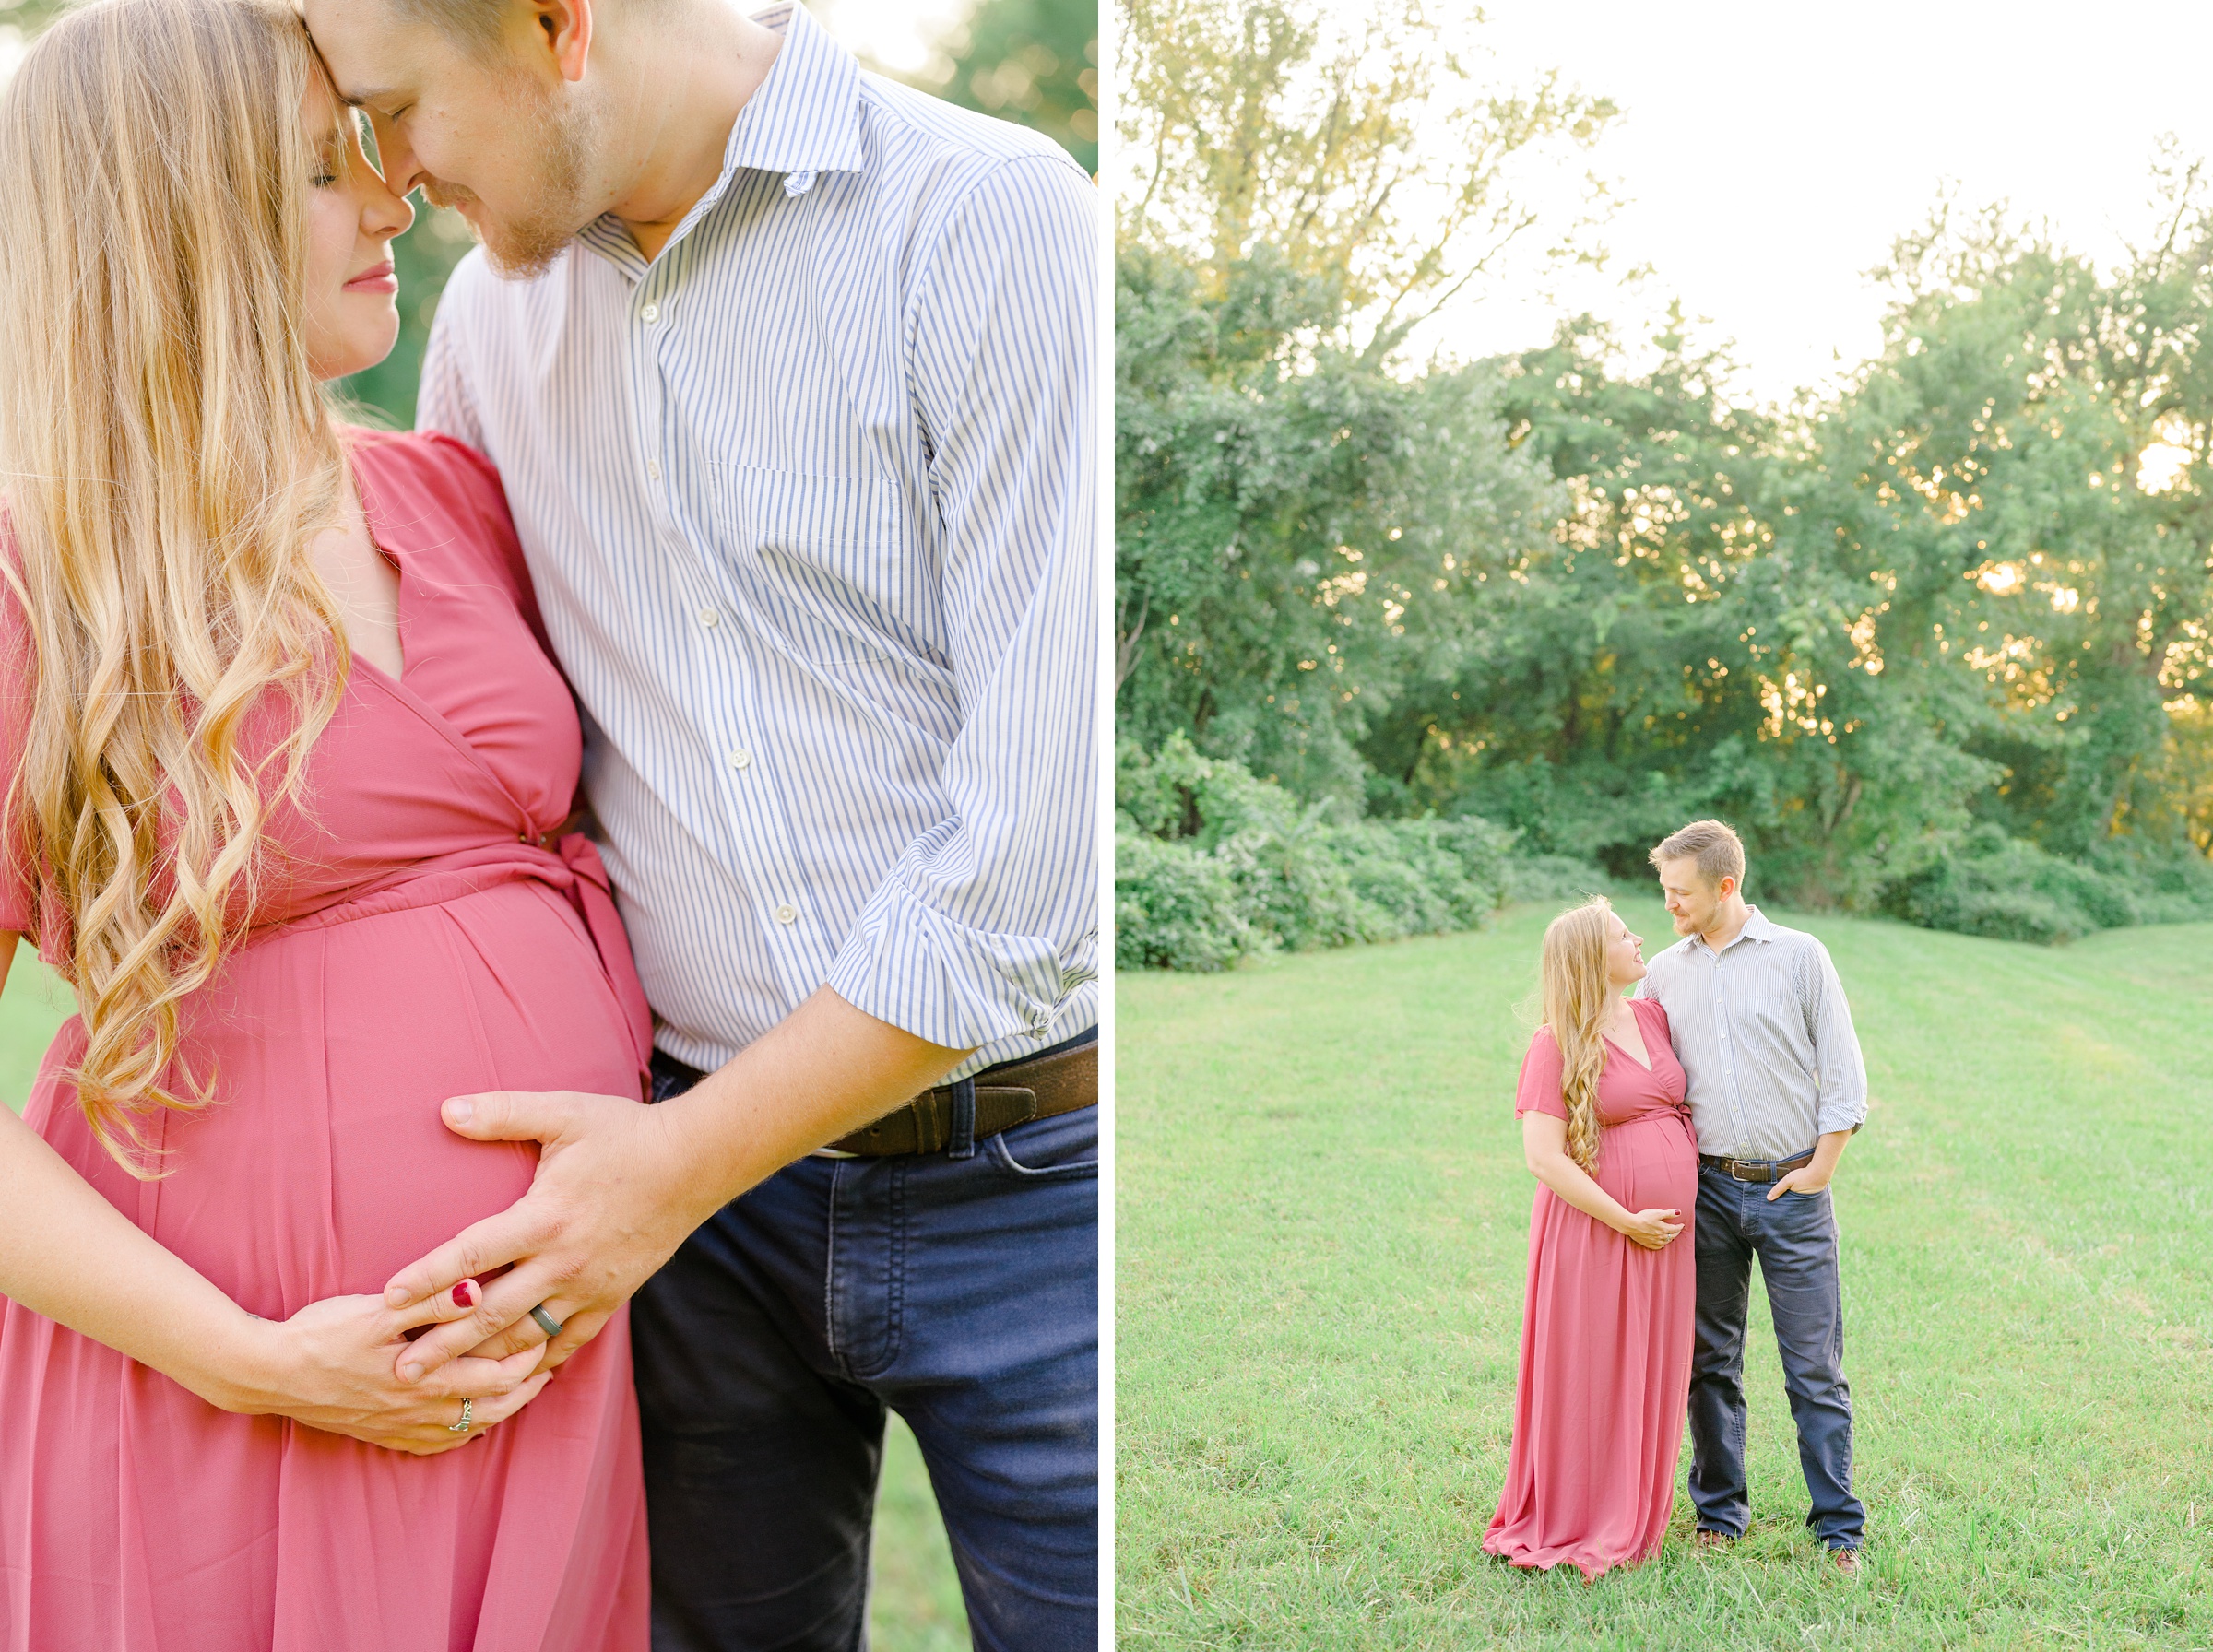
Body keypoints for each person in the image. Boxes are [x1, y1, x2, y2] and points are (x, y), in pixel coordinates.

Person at [297, 0, 1100, 1645]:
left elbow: (1030, 861)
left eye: (394, 110)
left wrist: (667, 1174)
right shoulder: (487, 335)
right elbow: (486, 774)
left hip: (1026, 1185)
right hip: (680, 1224)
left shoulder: (988, 218)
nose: (388, 178)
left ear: (555, 25)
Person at [0, 2, 654, 1646]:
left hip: (535, 1385)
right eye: (322, 167)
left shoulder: (448, 491)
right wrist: (264, 1359)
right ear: (175, 222)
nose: (392, 199)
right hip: (231, 1399)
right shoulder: (38, 584)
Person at [1635, 819, 1869, 1573]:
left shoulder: (1801, 956)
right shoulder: (1664, 974)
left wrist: (1822, 1168)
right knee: (1709, 1361)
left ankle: (1838, 1529)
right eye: (1664, 891)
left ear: (1725, 886)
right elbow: (1641, 1076)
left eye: (1681, 893)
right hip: (1703, 1190)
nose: (1669, 906)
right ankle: (1719, 1515)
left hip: (1793, 1189)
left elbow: (1843, 1072)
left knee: (1813, 1368)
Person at [1485, 896, 1698, 1580]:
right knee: (1592, 1370)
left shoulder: (1651, 1016)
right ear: (1589, 958)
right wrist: (1625, 1218)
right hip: (1597, 1234)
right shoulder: (1554, 1042)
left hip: (1665, 1244)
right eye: (1620, 934)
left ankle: (1636, 1509)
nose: (1639, 938)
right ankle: (1581, 1516)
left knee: (1650, 1368)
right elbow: (1544, 1158)